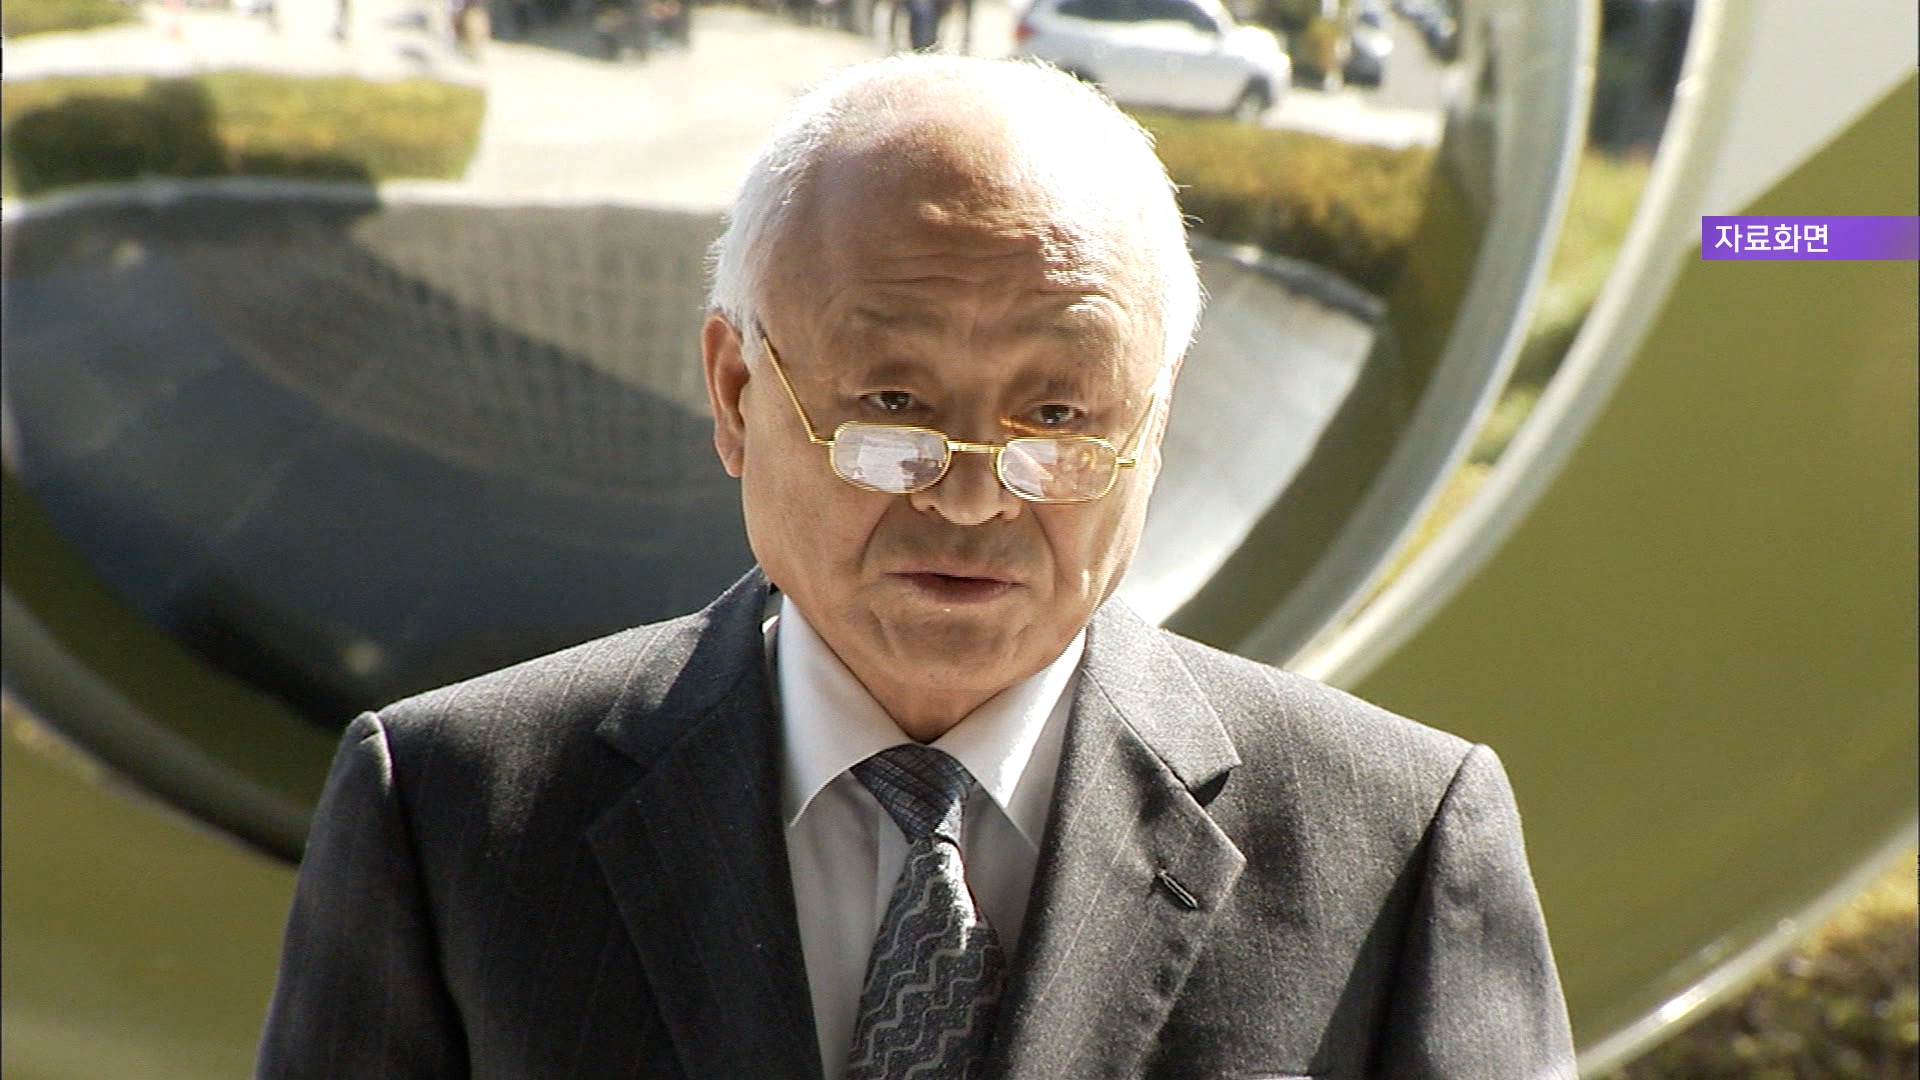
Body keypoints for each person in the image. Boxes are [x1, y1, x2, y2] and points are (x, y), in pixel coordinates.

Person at [257, 55, 1577, 1079]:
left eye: (1057, 418)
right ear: (735, 389)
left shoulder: (1395, 842)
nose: (970, 491)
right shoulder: (452, 817)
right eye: (893, 404)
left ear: (1156, 422)